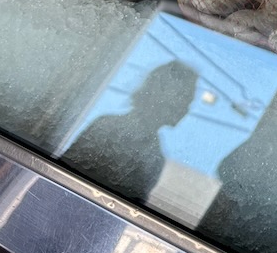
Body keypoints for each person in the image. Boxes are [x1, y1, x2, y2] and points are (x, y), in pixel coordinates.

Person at [60, 60, 198, 202]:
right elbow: (63, 178)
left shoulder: (155, 158)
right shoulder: (108, 128)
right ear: (158, 93)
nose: (187, 107)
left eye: (189, 100)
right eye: (185, 97)